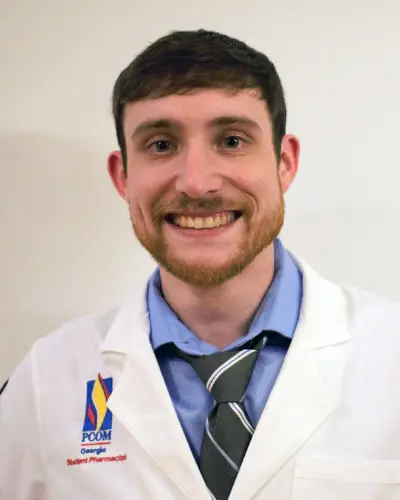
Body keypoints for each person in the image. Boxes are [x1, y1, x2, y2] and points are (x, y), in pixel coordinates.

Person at [1, 28, 400, 500]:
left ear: (284, 162)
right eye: (161, 145)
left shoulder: (389, 356)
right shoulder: (46, 382)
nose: (196, 182)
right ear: (122, 176)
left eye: (231, 140)